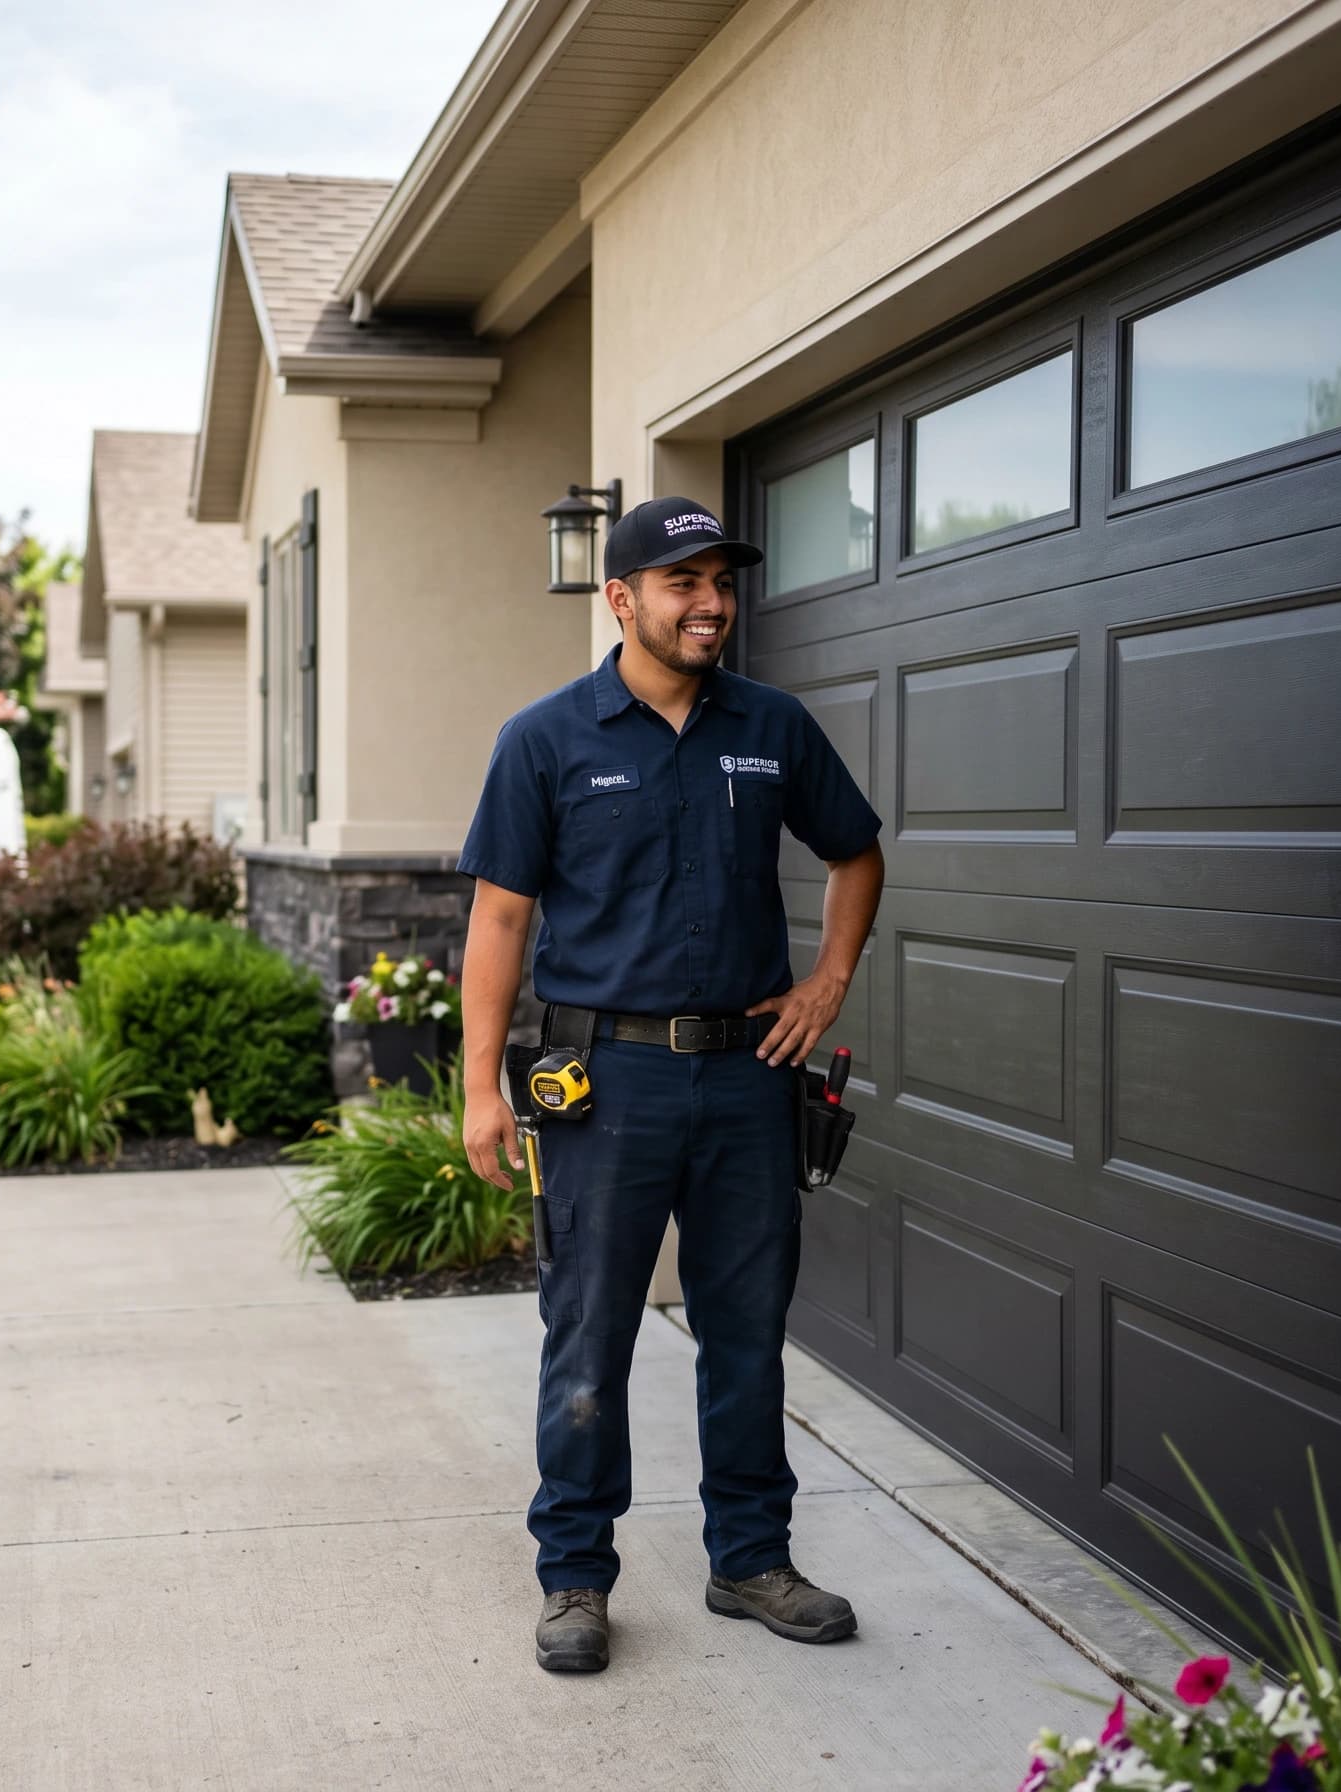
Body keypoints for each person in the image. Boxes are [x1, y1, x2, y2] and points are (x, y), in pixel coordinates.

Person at [456, 494, 885, 1674]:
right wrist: (482, 1088)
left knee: (745, 1330)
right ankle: (575, 1578)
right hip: (602, 1082)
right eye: (684, 583)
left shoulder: (773, 726)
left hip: (749, 1078)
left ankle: (751, 1560)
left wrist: (826, 986)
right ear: (621, 598)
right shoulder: (546, 738)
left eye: (722, 583)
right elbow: (499, 916)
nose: (711, 604)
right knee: (588, 1336)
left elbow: (856, 848)